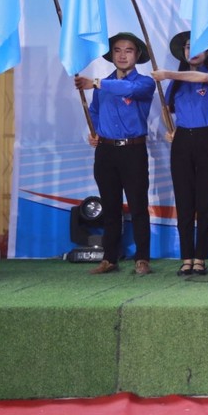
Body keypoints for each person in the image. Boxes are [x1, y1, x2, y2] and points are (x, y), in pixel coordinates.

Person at [74, 32, 155, 275]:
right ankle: (110, 258)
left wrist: (96, 82)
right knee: (110, 206)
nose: (122, 55)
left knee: (138, 206)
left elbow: (128, 90)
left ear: (137, 55)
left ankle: (142, 258)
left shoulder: (144, 82)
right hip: (106, 152)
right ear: (112, 55)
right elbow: (95, 111)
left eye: (128, 50)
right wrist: (93, 132)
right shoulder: (103, 85)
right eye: (117, 50)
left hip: (133, 150)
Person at [151, 32, 208, 276]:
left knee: (206, 201)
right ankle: (186, 257)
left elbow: (199, 77)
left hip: (207, 139)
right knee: (184, 201)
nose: (193, 51)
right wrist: (172, 129)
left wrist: (168, 73)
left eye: (200, 46)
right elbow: (166, 108)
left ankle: (200, 257)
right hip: (182, 141)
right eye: (189, 46)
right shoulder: (176, 83)